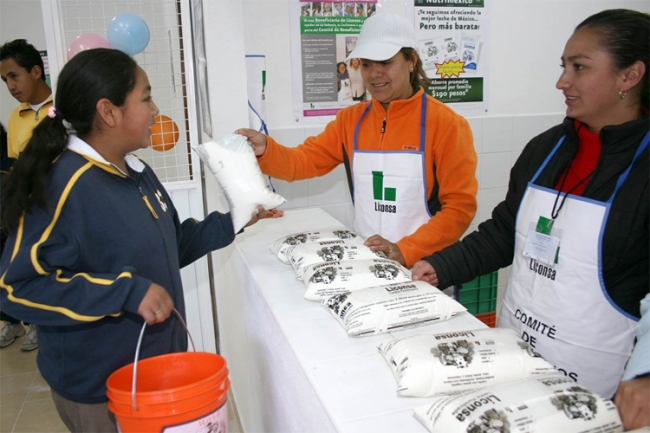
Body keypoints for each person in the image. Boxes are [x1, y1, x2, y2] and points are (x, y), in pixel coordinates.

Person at [0, 48, 264, 432]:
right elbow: (17, 287)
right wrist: (125, 293)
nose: (156, 109)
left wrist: (235, 220)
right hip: (101, 393)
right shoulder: (63, 184)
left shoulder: (137, 171)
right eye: (146, 98)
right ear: (108, 112)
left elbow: (171, 244)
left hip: (154, 377)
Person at [411, 9, 649, 429]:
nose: (562, 81)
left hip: (601, 383)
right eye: (563, 66)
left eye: (579, 67)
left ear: (629, 77)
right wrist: (439, 266)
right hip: (516, 353)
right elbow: (505, 232)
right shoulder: (546, 150)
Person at [238, 13, 477, 269]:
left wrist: (406, 249)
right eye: (365, 64)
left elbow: (459, 208)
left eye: (385, 62)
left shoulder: (447, 124)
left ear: (411, 61)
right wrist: (266, 150)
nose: (374, 74)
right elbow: (302, 162)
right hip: (368, 262)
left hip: (424, 267)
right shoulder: (351, 120)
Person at [0, 38, 53, 351]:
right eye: (4, 79)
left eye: (13, 76)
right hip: (31, 211)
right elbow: (16, 167)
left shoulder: (64, 106)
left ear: (36, 71)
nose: (9, 85)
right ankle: (34, 325)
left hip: (63, 206)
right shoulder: (14, 118)